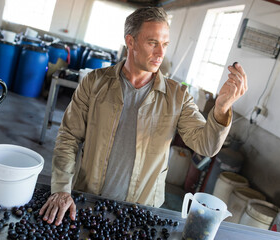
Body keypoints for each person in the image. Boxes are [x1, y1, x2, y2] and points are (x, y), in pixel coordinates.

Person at [39, 7, 247, 226]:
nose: (160, 53)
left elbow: (205, 147)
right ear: (131, 41)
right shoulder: (95, 83)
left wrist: (221, 108)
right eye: (152, 42)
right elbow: (68, 137)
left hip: (141, 212)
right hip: (88, 199)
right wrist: (62, 189)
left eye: (164, 44)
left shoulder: (177, 96)